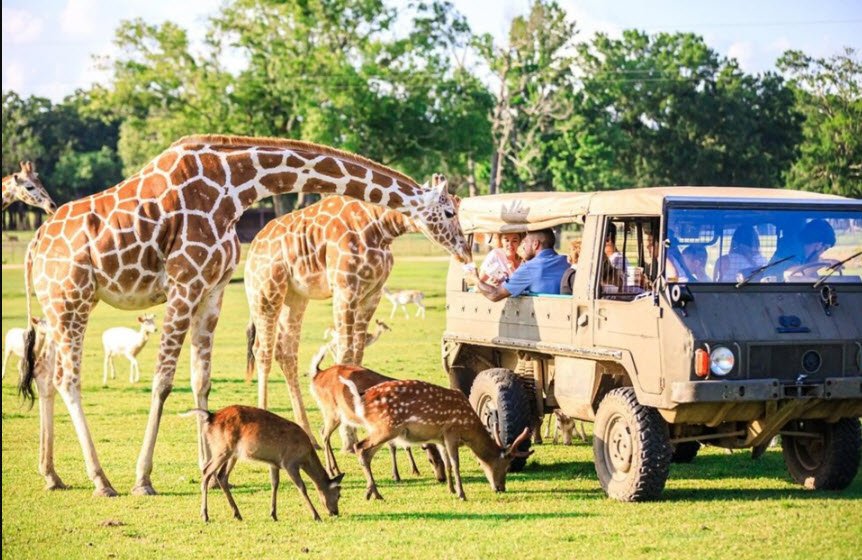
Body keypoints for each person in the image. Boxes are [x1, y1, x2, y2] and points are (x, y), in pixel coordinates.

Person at [468, 229, 570, 302]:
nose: (523, 245)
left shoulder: (529, 268)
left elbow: (495, 295)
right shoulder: (567, 261)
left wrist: (475, 279)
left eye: (525, 242)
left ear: (535, 244)